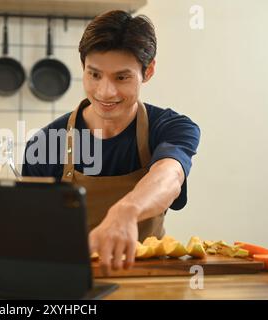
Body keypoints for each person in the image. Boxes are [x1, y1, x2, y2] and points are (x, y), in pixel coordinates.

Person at [22, 10, 200, 274]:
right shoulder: (45, 143)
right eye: (94, 75)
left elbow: (170, 176)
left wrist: (126, 211)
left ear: (148, 71)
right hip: (70, 284)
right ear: (83, 68)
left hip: (150, 284)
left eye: (121, 77)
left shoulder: (170, 127)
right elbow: (30, 229)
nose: (105, 92)